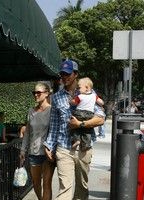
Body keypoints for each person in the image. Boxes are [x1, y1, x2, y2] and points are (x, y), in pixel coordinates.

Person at [44, 59, 105, 200]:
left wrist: (80, 125)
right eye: (62, 74)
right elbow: (54, 125)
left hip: (84, 147)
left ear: (75, 74)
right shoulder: (57, 97)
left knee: (81, 188)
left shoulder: (88, 94)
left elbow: (101, 118)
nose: (64, 77)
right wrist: (49, 145)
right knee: (65, 189)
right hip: (63, 148)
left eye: (67, 74)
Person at [19, 82, 55, 200]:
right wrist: (23, 150)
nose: (35, 95)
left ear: (46, 93)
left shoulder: (52, 111)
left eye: (38, 92)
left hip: (47, 152)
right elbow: (28, 132)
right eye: (34, 92)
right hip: (33, 152)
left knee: (46, 184)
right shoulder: (31, 111)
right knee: (35, 184)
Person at [69, 77, 104, 150]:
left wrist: (70, 101)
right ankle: (86, 144)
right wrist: (102, 103)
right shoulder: (94, 96)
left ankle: (77, 140)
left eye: (79, 88)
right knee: (87, 129)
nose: (78, 89)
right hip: (89, 115)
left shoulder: (80, 96)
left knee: (75, 126)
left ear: (87, 88)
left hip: (79, 113)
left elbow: (73, 103)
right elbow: (100, 102)